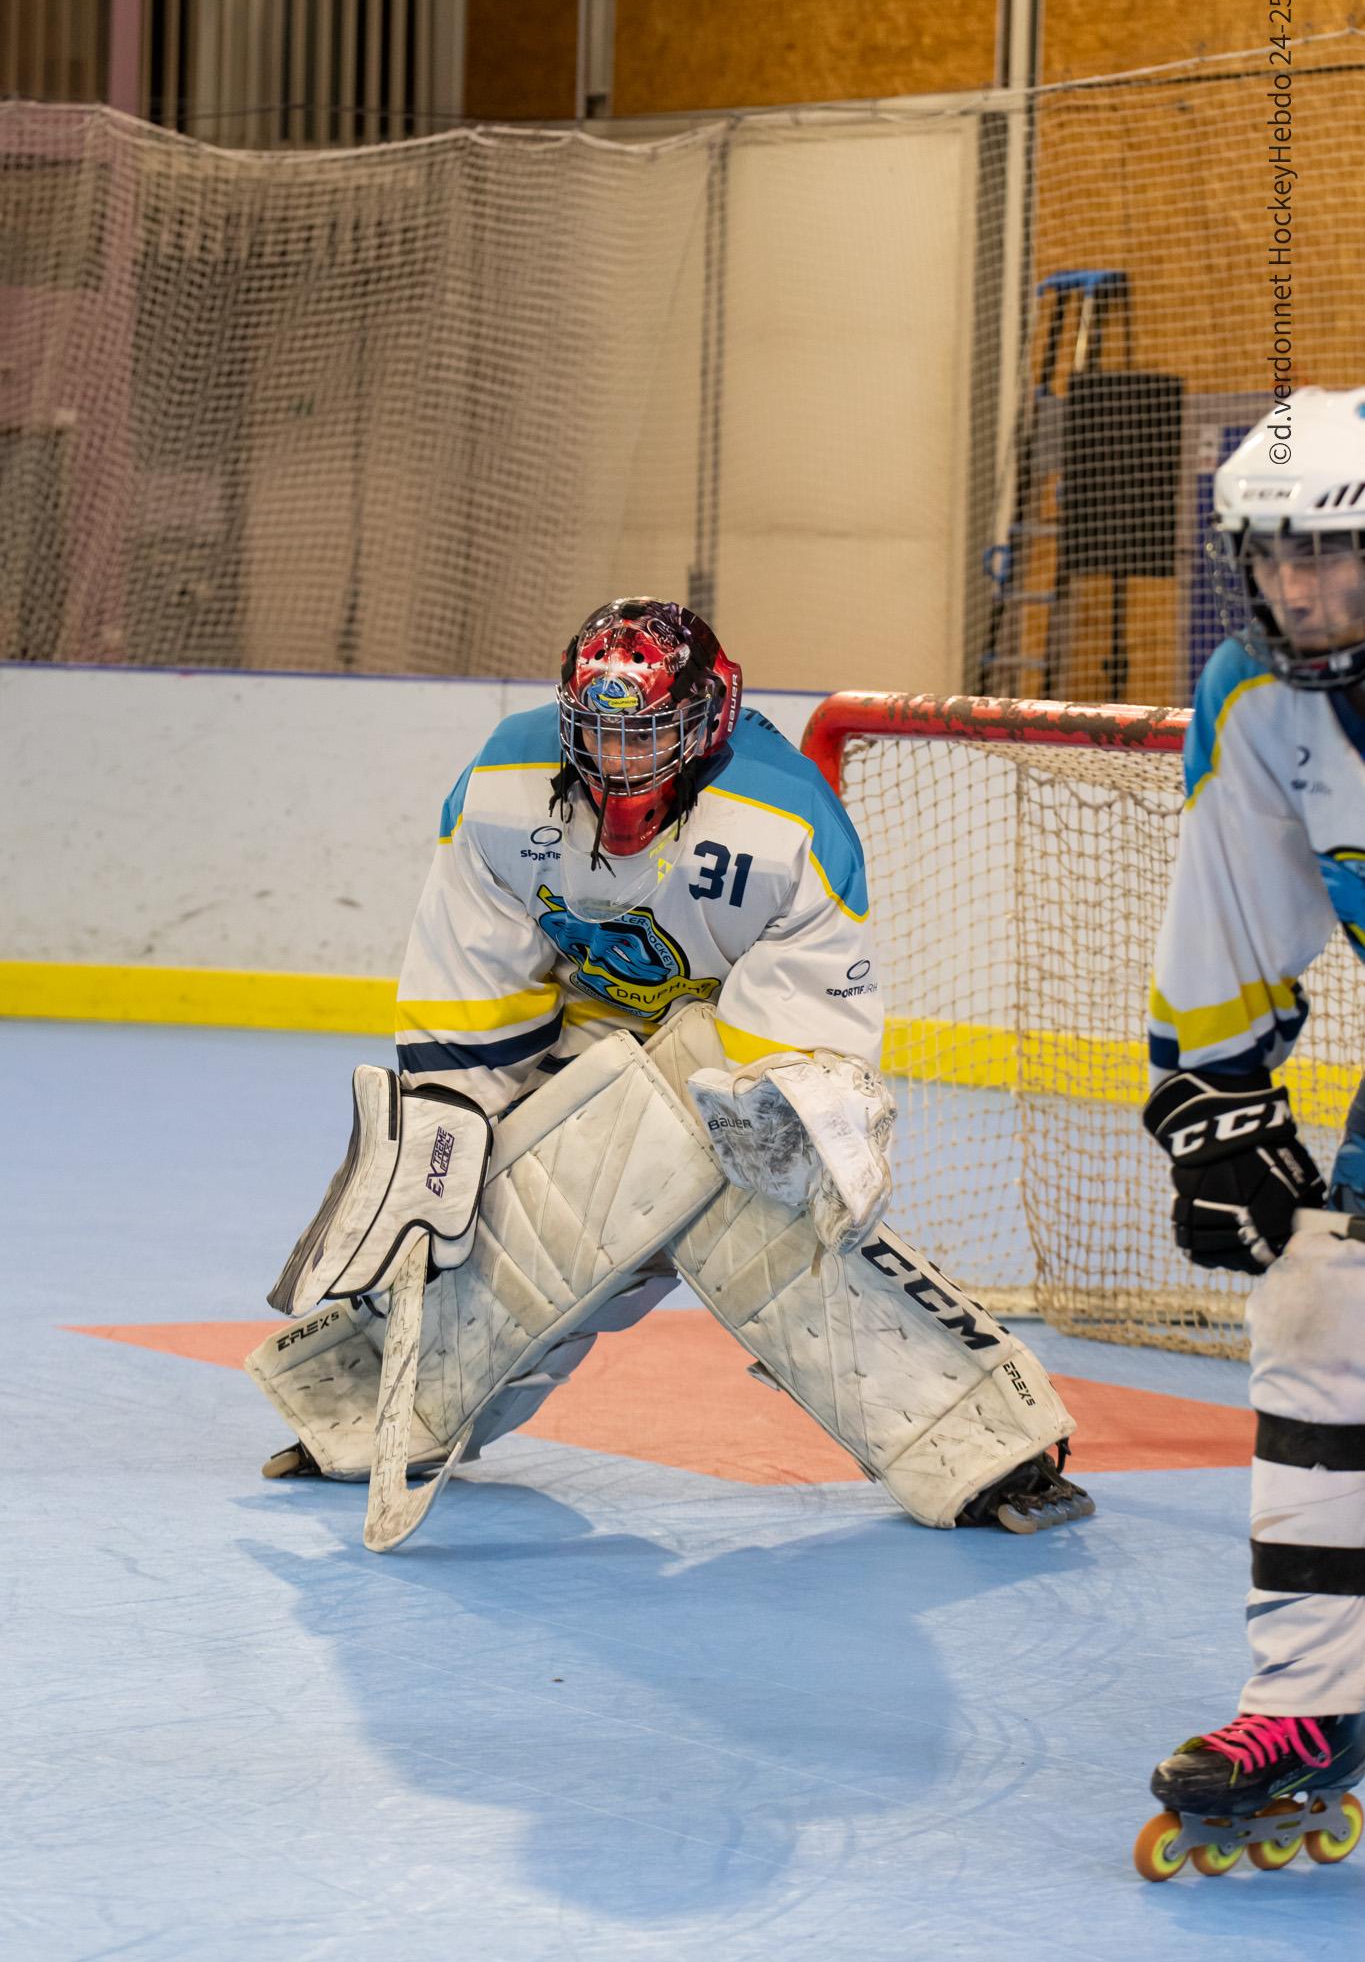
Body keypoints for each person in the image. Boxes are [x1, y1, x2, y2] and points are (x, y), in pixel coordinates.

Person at [249, 598, 1092, 1540]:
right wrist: (449, 1133)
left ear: (707, 716)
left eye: (645, 732)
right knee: (513, 1225)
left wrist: (771, 1139)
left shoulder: (786, 825)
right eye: (599, 732)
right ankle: (364, 1417)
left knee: (769, 1244)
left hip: (731, 1055)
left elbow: (802, 1038)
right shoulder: (503, 782)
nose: (618, 758)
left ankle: (981, 1445)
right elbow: (472, 983)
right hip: (579, 1043)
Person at [1136, 388, 1365, 1879]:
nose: (1295, 587)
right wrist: (1214, 1109)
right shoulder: (1258, 700)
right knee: (1318, 1304)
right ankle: (1308, 1704)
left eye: (1328, 557)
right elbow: (1228, 932)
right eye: (1270, 556)